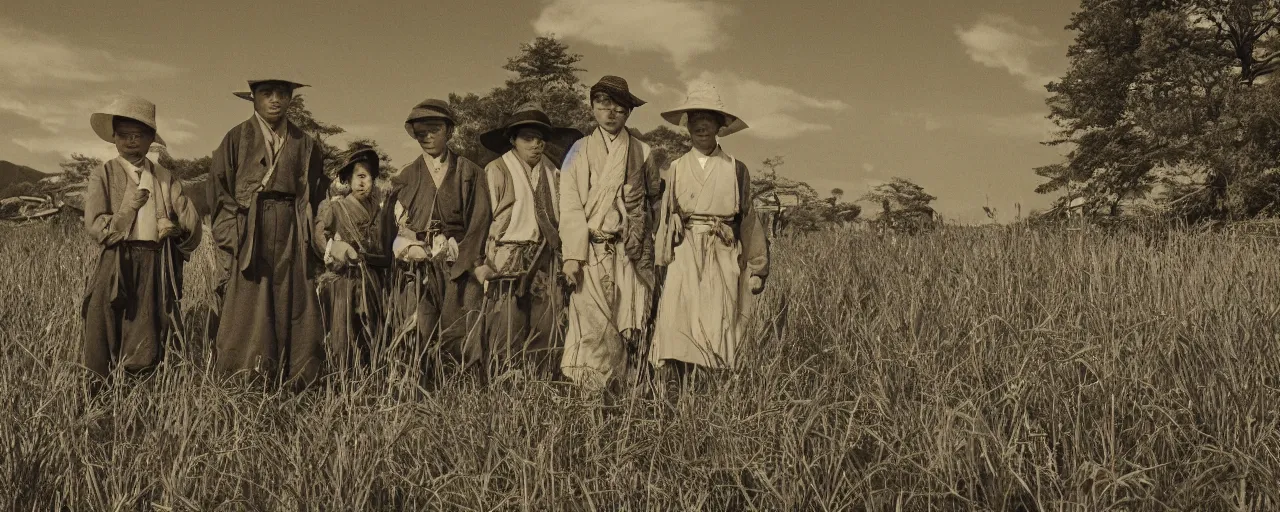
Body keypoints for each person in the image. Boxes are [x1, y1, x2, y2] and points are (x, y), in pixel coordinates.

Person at [208, 77, 330, 390]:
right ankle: (246, 379)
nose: (274, 100)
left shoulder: (305, 142)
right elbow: (220, 195)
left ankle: (297, 380)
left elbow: (318, 192)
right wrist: (236, 240)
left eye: (282, 94)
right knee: (249, 303)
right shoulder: (236, 138)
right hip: (251, 228)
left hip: (292, 226)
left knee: (296, 300)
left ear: (291, 99)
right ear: (254, 98)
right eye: (266, 93)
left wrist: (317, 237)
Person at [652, 82, 770, 388]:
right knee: (677, 319)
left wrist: (757, 268)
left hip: (722, 250)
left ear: (720, 124)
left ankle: (713, 392)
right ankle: (675, 391)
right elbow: (664, 219)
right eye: (695, 117)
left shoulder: (735, 168)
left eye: (709, 117)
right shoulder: (676, 168)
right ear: (687, 124)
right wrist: (661, 257)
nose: (702, 124)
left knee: (719, 321)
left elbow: (748, 220)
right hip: (685, 251)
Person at [81, 95, 202, 384]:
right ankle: (101, 393)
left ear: (151, 139)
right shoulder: (103, 174)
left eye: (139, 135)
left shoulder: (165, 178)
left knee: (149, 326)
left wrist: (175, 228)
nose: (131, 142)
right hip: (116, 260)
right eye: (124, 135)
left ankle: (143, 390)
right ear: (114, 138)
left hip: (155, 262)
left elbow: (190, 223)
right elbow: (97, 227)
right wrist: (129, 209)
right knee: (105, 323)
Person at [558, 75, 663, 392]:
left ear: (628, 111)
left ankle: (627, 391)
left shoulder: (642, 151)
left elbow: (655, 198)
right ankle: (592, 391)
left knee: (629, 323)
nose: (611, 112)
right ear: (592, 108)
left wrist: (645, 236)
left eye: (619, 106)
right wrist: (573, 257)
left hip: (629, 253)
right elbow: (571, 204)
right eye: (603, 104)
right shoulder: (578, 150)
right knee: (593, 325)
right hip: (592, 251)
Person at [384, 98, 491, 382]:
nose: (427, 137)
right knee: (417, 328)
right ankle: (416, 391)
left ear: (450, 131)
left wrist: (462, 257)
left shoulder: (470, 173)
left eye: (434, 129)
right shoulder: (406, 176)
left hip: (458, 264)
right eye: (421, 133)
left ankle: (461, 394)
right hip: (418, 265)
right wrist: (409, 247)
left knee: (460, 330)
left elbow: (480, 222)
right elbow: (395, 225)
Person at [475, 103, 582, 377]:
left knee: (545, 328)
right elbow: (481, 222)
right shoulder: (496, 170)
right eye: (527, 138)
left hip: (545, 258)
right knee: (506, 327)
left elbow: (565, 217)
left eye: (540, 139)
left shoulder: (554, 172)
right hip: (506, 257)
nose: (536, 145)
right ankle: (503, 389)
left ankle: (538, 390)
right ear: (513, 140)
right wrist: (481, 262)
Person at [315, 147, 394, 374]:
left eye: (368, 177)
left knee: (373, 331)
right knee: (344, 332)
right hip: (346, 282)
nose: (363, 183)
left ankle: (373, 376)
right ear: (348, 180)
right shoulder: (335, 207)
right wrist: (333, 247)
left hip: (374, 281)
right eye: (358, 177)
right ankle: (343, 377)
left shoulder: (379, 212)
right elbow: (320, 234)